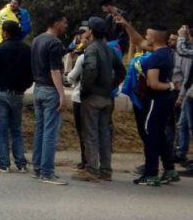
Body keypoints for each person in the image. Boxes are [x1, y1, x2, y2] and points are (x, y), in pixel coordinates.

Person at [115, 15, 180, 186]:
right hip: (164, 100)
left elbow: (154, 83)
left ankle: (151, 173)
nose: (145, 37)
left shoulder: (155, 58)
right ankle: (169, 169)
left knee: (151, 135)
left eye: (148, 35)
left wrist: (171, 85)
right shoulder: (165, 51)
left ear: (155, 38)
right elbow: (139, 41)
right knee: (159, 134)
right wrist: (126, 25)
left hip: (156, 101)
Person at [71, 17, 126, 183]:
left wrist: (85, 89)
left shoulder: (91, 49)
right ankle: (106, 170)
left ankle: (92, 169)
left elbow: (91, 69)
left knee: (90, 134)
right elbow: (121, 71)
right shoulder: (110, 50)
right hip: (106, 98)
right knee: (104, 134)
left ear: (92, 32)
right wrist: (111, 86)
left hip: (92, 97)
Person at [0, 20, 33, 173]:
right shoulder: (26, 50)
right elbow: (31, 73)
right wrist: (24, 86)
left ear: (5, 32)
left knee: (1, 129)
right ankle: (21, 163)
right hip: (18, 93)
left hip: (0, 92)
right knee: (16, 128)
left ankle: (4, 163)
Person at [30, 11, 69, 185]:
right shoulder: (55, 43)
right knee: (50, 134)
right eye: (64, 22)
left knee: (40, 131)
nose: (66, 25)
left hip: (37, 88)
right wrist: (62, 94)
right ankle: (47, 172)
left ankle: (38, 168)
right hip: (50, 90)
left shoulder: (37, 40)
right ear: (56, 23)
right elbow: (55, 70)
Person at [66, 26, 91, 172]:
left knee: (82, 131)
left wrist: (68, 76)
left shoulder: (83, 57)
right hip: (98, 96)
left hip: (80, 97)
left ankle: (85, 160)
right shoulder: (109, 52)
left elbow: (71, 77)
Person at [174, 25, 193, 166]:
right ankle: (181, 153)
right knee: (182, 124)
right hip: (189, 91)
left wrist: (181, 36)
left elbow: (182, 50)